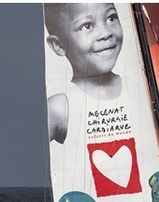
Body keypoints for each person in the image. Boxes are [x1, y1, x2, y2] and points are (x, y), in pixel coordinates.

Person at [44, 3, 124, 143]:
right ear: (59, 45)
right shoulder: (59, 107)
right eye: (87, 26)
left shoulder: (141, 86)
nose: (105, 33)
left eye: (111, 18)